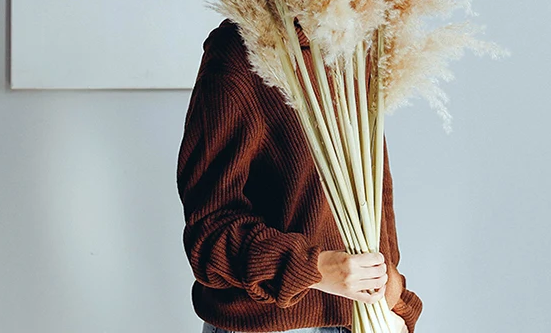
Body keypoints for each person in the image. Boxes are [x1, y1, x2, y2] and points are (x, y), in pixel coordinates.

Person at [176, 18, 423, 333]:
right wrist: (315, 268)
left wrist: (394, 299)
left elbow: (375, 196)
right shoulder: (242, 50)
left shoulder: (356, 40)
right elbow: (209, 232)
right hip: (271, 324)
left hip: (363, 320)